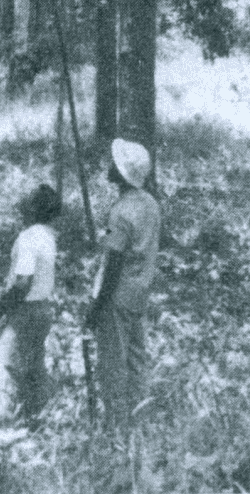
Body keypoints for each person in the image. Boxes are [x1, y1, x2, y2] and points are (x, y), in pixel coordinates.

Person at [85, 138, 160, 432]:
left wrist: (96, 306)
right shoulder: (151, 205)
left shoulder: (120, 212)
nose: (108, 167)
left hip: (117, 297)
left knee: (114, 364)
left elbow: (113, 265)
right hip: (140, 293)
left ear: (121, 172)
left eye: (113, 164)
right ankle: (140, 421)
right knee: (138, 360)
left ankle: (116, 427)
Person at [0, 183, 62, 426]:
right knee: (33, 367)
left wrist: (2, 305)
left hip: (26, 311)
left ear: (33, 209)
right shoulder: (49, 237)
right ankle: (39, 421)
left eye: (28, 203)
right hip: (43, 309)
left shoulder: (29, 237)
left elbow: (23, 282)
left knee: (3, 371)